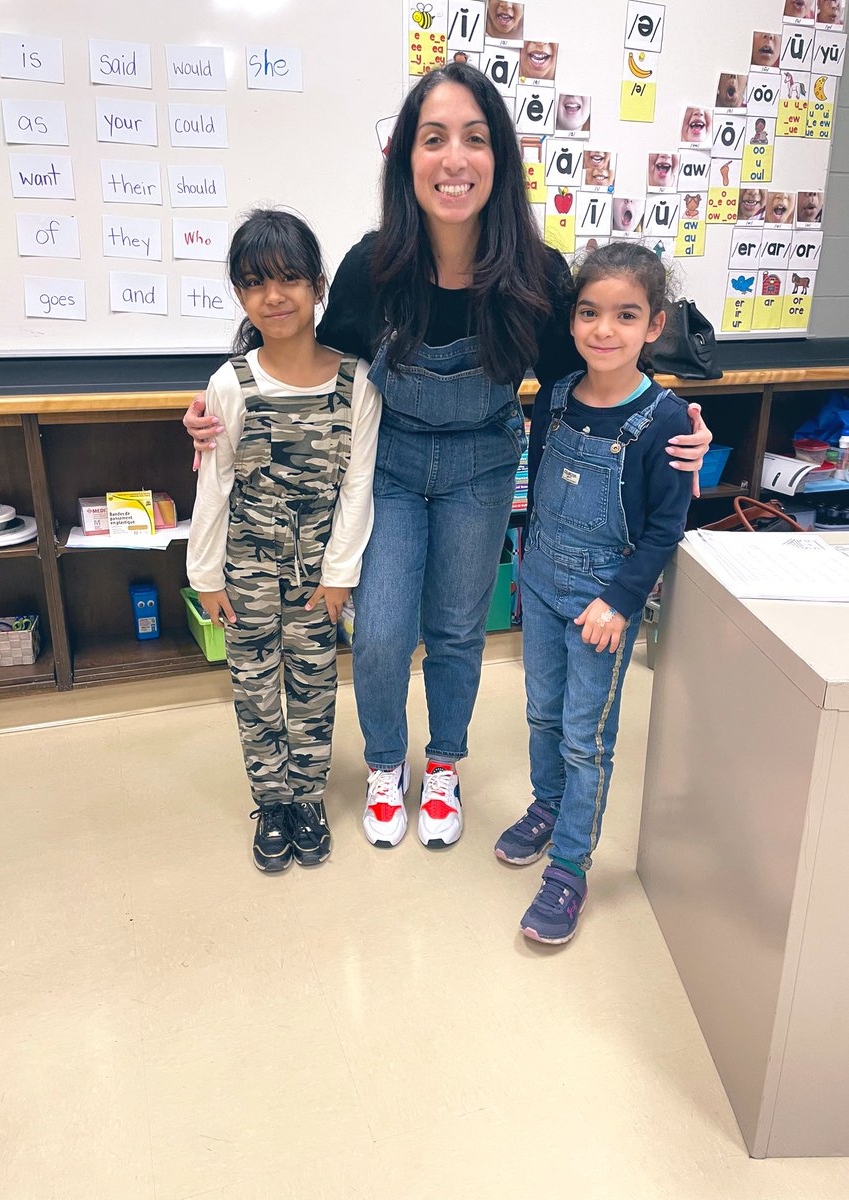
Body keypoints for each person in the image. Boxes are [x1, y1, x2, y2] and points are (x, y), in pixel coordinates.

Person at [184, 64, 712, 852]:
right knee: (384, 632)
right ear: (408, 159)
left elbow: (595, 372)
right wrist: (222, 401)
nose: (453, 158)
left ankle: (444, 768)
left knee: (460, 630)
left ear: (499, 157)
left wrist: (669, 419)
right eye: (434, 139)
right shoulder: (372, 267)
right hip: (390, 467)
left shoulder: (536, 273)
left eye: (474, 138)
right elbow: (302, 347)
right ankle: (387, 766)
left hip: (482, 469)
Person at [494, 244, 693, 945]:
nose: (604, 330)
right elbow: (541, 494)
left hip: (603, 607)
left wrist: (619, 600)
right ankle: (546, 808)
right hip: (543, 586)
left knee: (586, 738)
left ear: (654, 324)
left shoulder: (662, 420)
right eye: (589, 312)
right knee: (543, 713)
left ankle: (571, 867)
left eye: (625, 315)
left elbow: (668, 522)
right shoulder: (550, 400)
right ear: (571, 321)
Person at [186, 209, 381, 872]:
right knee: (255, 687)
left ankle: (307, 798)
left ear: (319, 285)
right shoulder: (229, 383)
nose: (274, 296)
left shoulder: (356, 382)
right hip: (245, 571)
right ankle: (271, 802)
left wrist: (340, 576)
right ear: (241, 295)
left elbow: (358, 488)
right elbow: (213, 487)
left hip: (315, 576)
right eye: (254, 283)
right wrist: (205, 576)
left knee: (314, 687)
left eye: (290, 278)